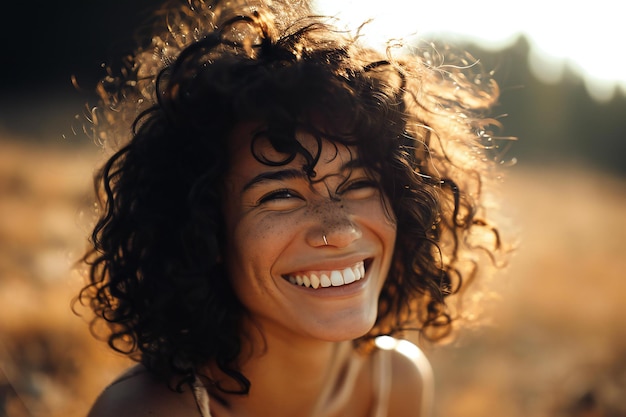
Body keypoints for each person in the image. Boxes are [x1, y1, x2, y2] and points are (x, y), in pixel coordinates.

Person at [75, 0, 507, 416]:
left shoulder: (398, 383)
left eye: (359, 184)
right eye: (281, 195)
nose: (340, 231)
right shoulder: (146, 412)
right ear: (204, 231)